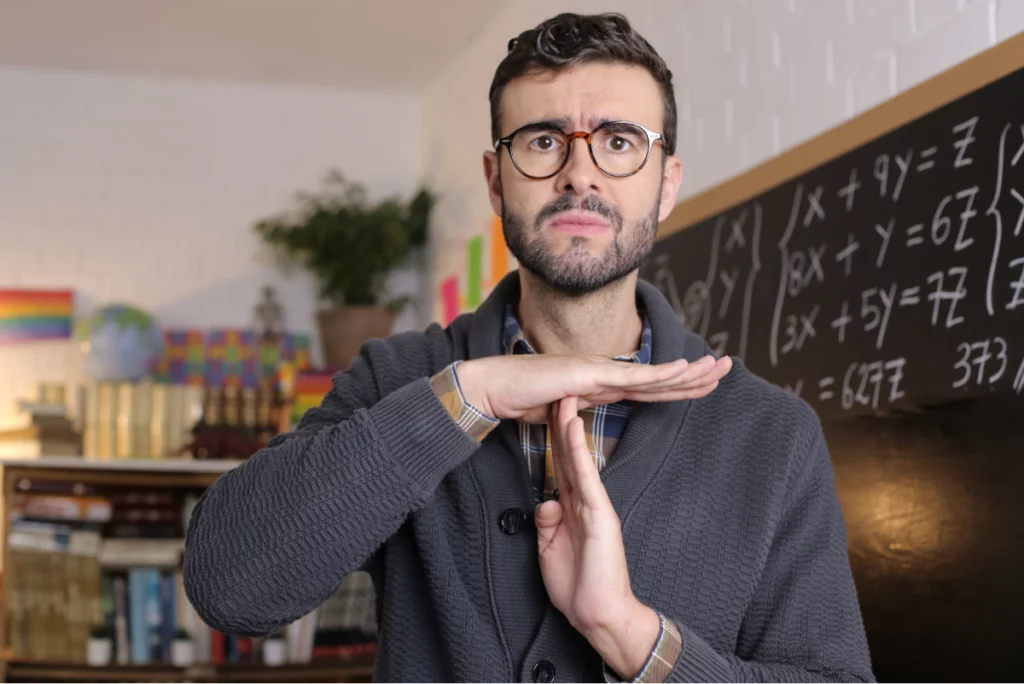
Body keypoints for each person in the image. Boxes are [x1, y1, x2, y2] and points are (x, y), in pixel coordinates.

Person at [183, 12, 875, 684]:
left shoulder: (771, 436)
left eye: (619, 141)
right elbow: (228, 587)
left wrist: (629, 634)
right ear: (495, 179)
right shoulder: (399, 379)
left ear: (666, 185)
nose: (579, 173)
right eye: (543, 142)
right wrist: (467, 398)